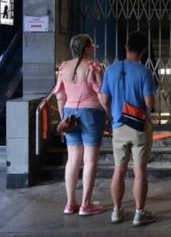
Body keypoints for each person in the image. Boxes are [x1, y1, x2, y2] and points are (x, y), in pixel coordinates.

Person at [100, 31, 157, 225]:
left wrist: (112, 115)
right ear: (144, 51)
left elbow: (105, 99)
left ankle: (116, 211)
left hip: (118, 126)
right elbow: (149, 103)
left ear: (126, 47)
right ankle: (139, 214)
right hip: (139, 126)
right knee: (139, 171)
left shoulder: (110, 70)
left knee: (119, 169)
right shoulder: (145, 72)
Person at [53, 34, 108, 216]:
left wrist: (64, 118)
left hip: (70, 114)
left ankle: (70, 204)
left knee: (73, 159)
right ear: (86, 48)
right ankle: (86, 205)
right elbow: (102, 96)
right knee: (90, 159)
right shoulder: (93, 68)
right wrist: (109, 114)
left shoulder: (63, 68)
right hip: (91, 114)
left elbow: (60, 96)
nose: (94, 47)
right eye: (92, 44)